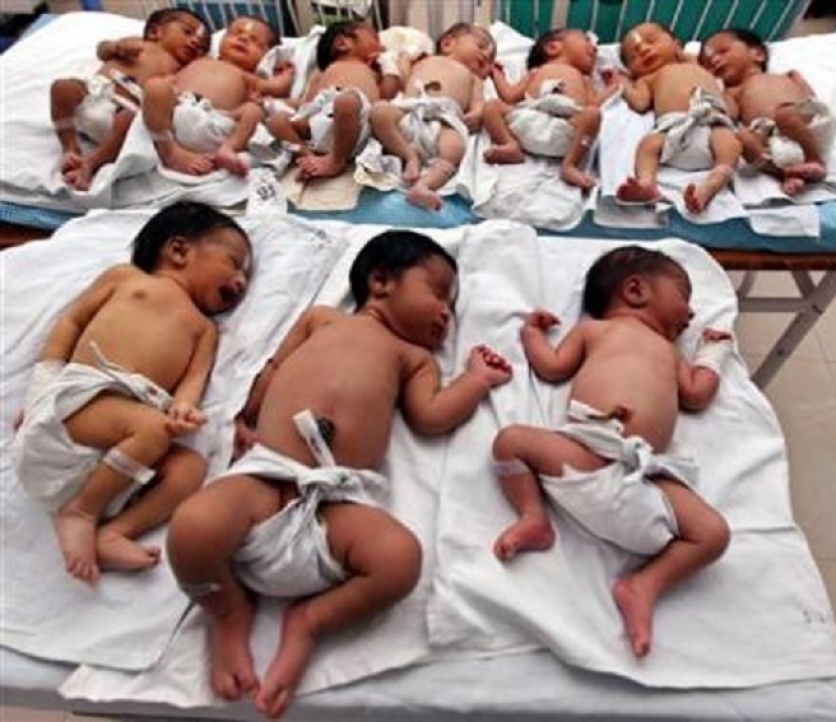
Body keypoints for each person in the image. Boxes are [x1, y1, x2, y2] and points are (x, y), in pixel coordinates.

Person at [166, 229, 513, 718]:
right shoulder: (319, 321)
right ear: (381, 281)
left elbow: (432, 416)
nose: (446, 314)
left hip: (337, 502)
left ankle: (310, 621)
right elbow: (272, 368)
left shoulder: (413, 359)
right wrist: (248, 413)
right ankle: (227, 611)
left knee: (400, 559)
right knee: (192, 528)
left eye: (452, 308)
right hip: (266, 478)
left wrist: (475, 381)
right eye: (438, 293)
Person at [490, 245, 732, 658]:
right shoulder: (594, 330)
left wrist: (712, 353)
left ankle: (644, 584)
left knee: (715, 534)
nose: (691, 315)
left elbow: (697, 395)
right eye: (683, 296)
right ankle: (534, 518)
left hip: (644, 473)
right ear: (635, 290)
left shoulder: (672, 353)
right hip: (586, 450)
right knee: (508, 441)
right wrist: (532, 333)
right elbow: (551, 366)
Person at [13, 201, 252, 585]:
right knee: (152, 428)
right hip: (82, 404)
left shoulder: (204, 329)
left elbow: (194, 378)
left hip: (126, 445)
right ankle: (82, 512)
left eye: (246, 274)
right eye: (234, 262)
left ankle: (115, 531)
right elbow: (71, 321)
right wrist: (41, 388)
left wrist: (184, 408)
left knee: (190, 467)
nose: (241, 281)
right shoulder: (125, 279)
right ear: (178, 250)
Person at [50, 8, 210, 191]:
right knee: (62, 87)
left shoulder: (182, 69)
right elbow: (101, 51)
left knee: (130, 119)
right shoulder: (136, 45)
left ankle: (90, 164)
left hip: (122, 114)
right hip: (92, 95)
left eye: (202, 47)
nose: (196, 41)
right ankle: (70, 148)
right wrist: (116, 47)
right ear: (154, 32)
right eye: (187, 32)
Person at [143, 16, 293, 177]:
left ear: (266, 56)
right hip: (173, 114)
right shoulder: (198, 60)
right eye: (236, 33)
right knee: (156, 86)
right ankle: (169, 151)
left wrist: (286, 75)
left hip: (216, 122)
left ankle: (229, 148)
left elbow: (276, 88)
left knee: (253, 111)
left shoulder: (248, 77)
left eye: (255, 41)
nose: (243, 38)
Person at [615, 22, 742, 213]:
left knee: (731, 142)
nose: (643, 49)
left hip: (710, 121)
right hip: (673, 127)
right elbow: (640, 103)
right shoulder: (647, 79)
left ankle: (714, 180)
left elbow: (731, 110)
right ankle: (646, 184)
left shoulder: (700, 68)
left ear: (676, 44)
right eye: (634, 56)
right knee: (648, 145)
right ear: (632, 70)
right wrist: (624, 83)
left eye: (651, 41)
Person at [369, 22, 495, 210]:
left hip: (444, 119)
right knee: (379, 111)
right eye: (481, 46)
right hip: (410, 112)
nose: (486, 55)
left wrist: (477, 113)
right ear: (448, 44)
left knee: (455, 148)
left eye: (490, 58)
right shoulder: (424, 62)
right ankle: (410, 156)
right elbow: (404, 80)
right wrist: (404, 58)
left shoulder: (473, 77)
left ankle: (423, 186)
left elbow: (478, 104)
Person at [699, 28, 836, 195]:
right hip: (772, 143)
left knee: (785, 114)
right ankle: (786, 173)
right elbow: (731, 115)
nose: (715, 60)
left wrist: (802, 89)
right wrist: (718, 89)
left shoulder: (784, 76)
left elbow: (811, 100)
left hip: (805, 130)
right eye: (708, 63)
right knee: (743, 138)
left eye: (722, 51)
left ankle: (815, 159)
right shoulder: (732, 91)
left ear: (758, 54)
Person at [266, 21, 403, 181]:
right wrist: (298, 116)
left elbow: (388, 94)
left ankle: (336, 160)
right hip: (317, 126)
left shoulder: (372, 70)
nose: (381, 45)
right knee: (275, 120)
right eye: (374, 38)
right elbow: (309, 103)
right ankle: (307, 156)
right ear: (342, 43)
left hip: (353, 126)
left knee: (347, 100)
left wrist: (388, 64)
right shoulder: (321, 73)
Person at [484, 28, 617, 189]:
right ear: (553, 47)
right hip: (530, 120)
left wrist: (612, 87)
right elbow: (510, 96)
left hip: (567, 129)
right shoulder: (536, 72)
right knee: (491, 106)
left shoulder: (584, 79)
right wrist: (497, 73)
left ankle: (570, 165)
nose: (595, 49)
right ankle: (510, 145)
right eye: (586, 40)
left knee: (593, 114)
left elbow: (593, 104)